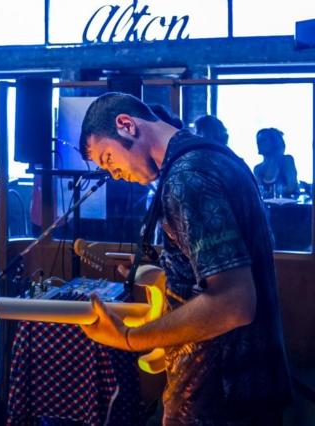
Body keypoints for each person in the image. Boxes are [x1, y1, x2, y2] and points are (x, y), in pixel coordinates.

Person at [77, 92, 292, 425]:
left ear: (126, 125)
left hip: (216, 397)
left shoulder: (186, 178)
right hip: (249, 388)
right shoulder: (216, 158)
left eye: (108, 158)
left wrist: (130, 338)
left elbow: (234, 302)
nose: (115, 174)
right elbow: (208, 272)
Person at [253, 127, 298, 198]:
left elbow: (292, 187)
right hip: (267, 207)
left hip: (289, 207)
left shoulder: (287, 161)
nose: (258, 143)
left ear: (275, 142)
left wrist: (272, 193)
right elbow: (258, 191)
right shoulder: (258, 169)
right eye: (258, 140)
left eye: (263, 140)